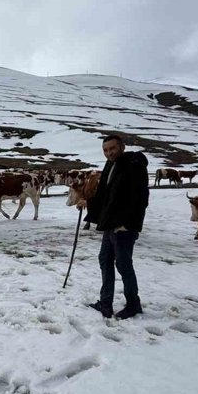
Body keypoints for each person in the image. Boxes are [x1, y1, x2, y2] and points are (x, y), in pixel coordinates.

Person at [76, 134, 149, 319]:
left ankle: (133, 304)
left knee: (123, 264)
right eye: (106, 150)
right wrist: (88, 203)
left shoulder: (134, 165)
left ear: (122, 147)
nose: (109, 153)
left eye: (112, 148)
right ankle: (105, 302)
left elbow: (139, 198)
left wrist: (127, 224)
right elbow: (105, 195)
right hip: (111, 223)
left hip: (124, 226)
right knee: (105, 260)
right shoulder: (110, 165)